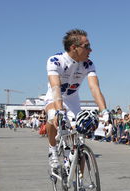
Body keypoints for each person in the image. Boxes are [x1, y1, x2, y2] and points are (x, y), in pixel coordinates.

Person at [45, 29, 109, 170]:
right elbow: (55, 86)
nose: (90, 50)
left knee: (79, 141)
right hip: (55, 97)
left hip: (73, 100)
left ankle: (80, 184)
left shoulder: (88, 64)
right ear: (74, 47)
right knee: (52, 116)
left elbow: (94, 88)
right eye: (87, 46)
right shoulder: (56, 61)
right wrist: (59, 110)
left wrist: (104, 111)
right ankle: (53, 149)